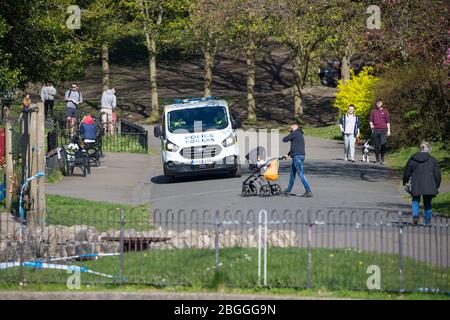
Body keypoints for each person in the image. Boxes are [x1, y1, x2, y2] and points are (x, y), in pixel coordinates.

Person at [403, 141, 441, 226]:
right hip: (429, 184)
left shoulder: (412, 158)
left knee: (415, 200)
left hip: (416, 183)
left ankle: (415, 216)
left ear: (420, 148)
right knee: (427, 202)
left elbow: (407, 171)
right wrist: (437, 185)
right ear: (428, 148)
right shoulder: (432, 160)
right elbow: (437, 174)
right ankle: (428, 221)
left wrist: (405, 181)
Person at [282, 123, 312, 197]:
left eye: (291, 128)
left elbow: (284, 139)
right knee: (292, 175)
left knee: (301, 174)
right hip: (299, 156)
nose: (290, 129)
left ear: (294, 128)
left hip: (297, 157)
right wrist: (288, 154)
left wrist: (291, 132)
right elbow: (295, 147)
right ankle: (288, 191)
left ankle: (308, 191)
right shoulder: (300, 134)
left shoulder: (295, 133)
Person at [369, 98, 391, 165]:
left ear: (382, 103)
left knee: (383, 144)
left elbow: (388, 122)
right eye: (377, 103)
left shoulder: (385, 111)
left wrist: (389, 130)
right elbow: (370, 121)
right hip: (376, 130)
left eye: (380, 103)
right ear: (376, 103)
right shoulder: (373, 111)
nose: (378, 104)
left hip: (383, 130)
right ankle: (377, 159)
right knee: (376, 146)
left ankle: (382, 158)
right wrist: (371, 125)